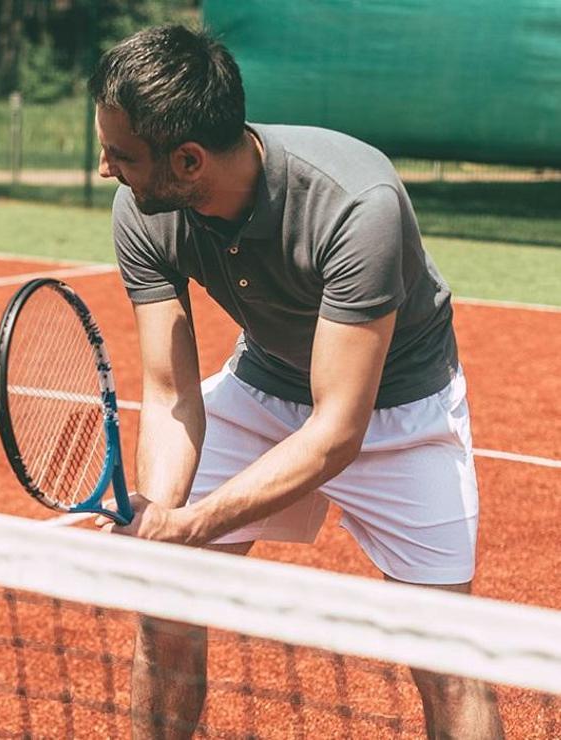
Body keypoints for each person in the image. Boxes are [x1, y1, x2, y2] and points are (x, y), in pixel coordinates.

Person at [89, 25, 503, 740]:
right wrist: (161, 511)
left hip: (398, 408)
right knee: (167, 608)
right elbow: (170, 394)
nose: (104, 169)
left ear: (188, 160)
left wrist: (194, 523)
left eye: (121, 155)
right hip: (263, 384)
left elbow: (337, 430)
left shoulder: (355, 205)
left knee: (447, 656)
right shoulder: (143, 211)